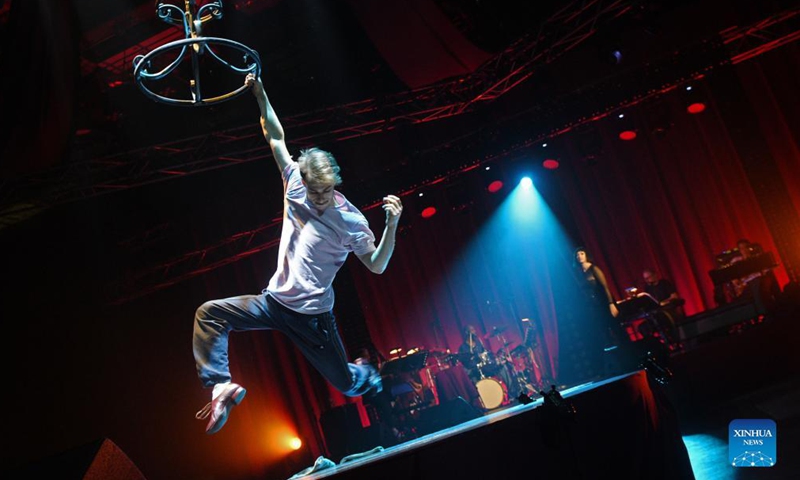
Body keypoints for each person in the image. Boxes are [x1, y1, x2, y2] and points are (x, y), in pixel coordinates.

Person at [192, 73, 403, 435]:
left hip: (312, 318)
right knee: (209, 314)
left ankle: (367, 373)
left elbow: (377, 265)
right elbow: (274, 136)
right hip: (274, 302)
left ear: (335, 183)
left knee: (346, 383)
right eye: (314, 191)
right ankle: (220, 386)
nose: (320, 198)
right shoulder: (293, 182)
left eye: (326, 191)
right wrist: (259, 92)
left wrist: (392, 225)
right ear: (303, 180)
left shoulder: (350, 220)